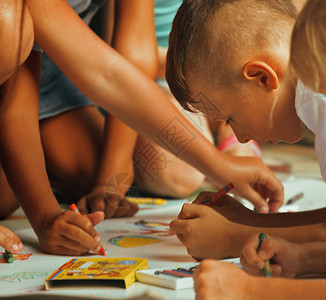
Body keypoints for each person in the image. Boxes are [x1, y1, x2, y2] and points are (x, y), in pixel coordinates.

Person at [0, 0, 282, 255]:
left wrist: (110, 178)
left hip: (57, 57)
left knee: (87, 178)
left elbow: (113, 72)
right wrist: (44, 217)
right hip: (17, 52)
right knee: (9, 194)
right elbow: (15, 104)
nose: (244, 137)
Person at [166, 0, 326, 298]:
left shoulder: (319, 100)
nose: (239, 138)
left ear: (263, 77)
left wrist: (249, 284)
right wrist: (253, 222)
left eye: (230, 118)